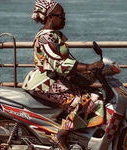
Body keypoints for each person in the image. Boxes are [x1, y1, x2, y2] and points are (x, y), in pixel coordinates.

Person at [22, 0, 105, 149]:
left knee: (95, 93)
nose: (64, 18)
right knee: (85, 101)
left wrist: (87, 69)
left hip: (56, 81)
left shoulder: (54, 35)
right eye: (61, 15)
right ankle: (61, 134)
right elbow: (59, 65)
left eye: (64, 15)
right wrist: (89, 66)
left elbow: (67, 61)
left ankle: (77, 135)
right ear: (49, 17)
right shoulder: (46, 38)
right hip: (45, 83)